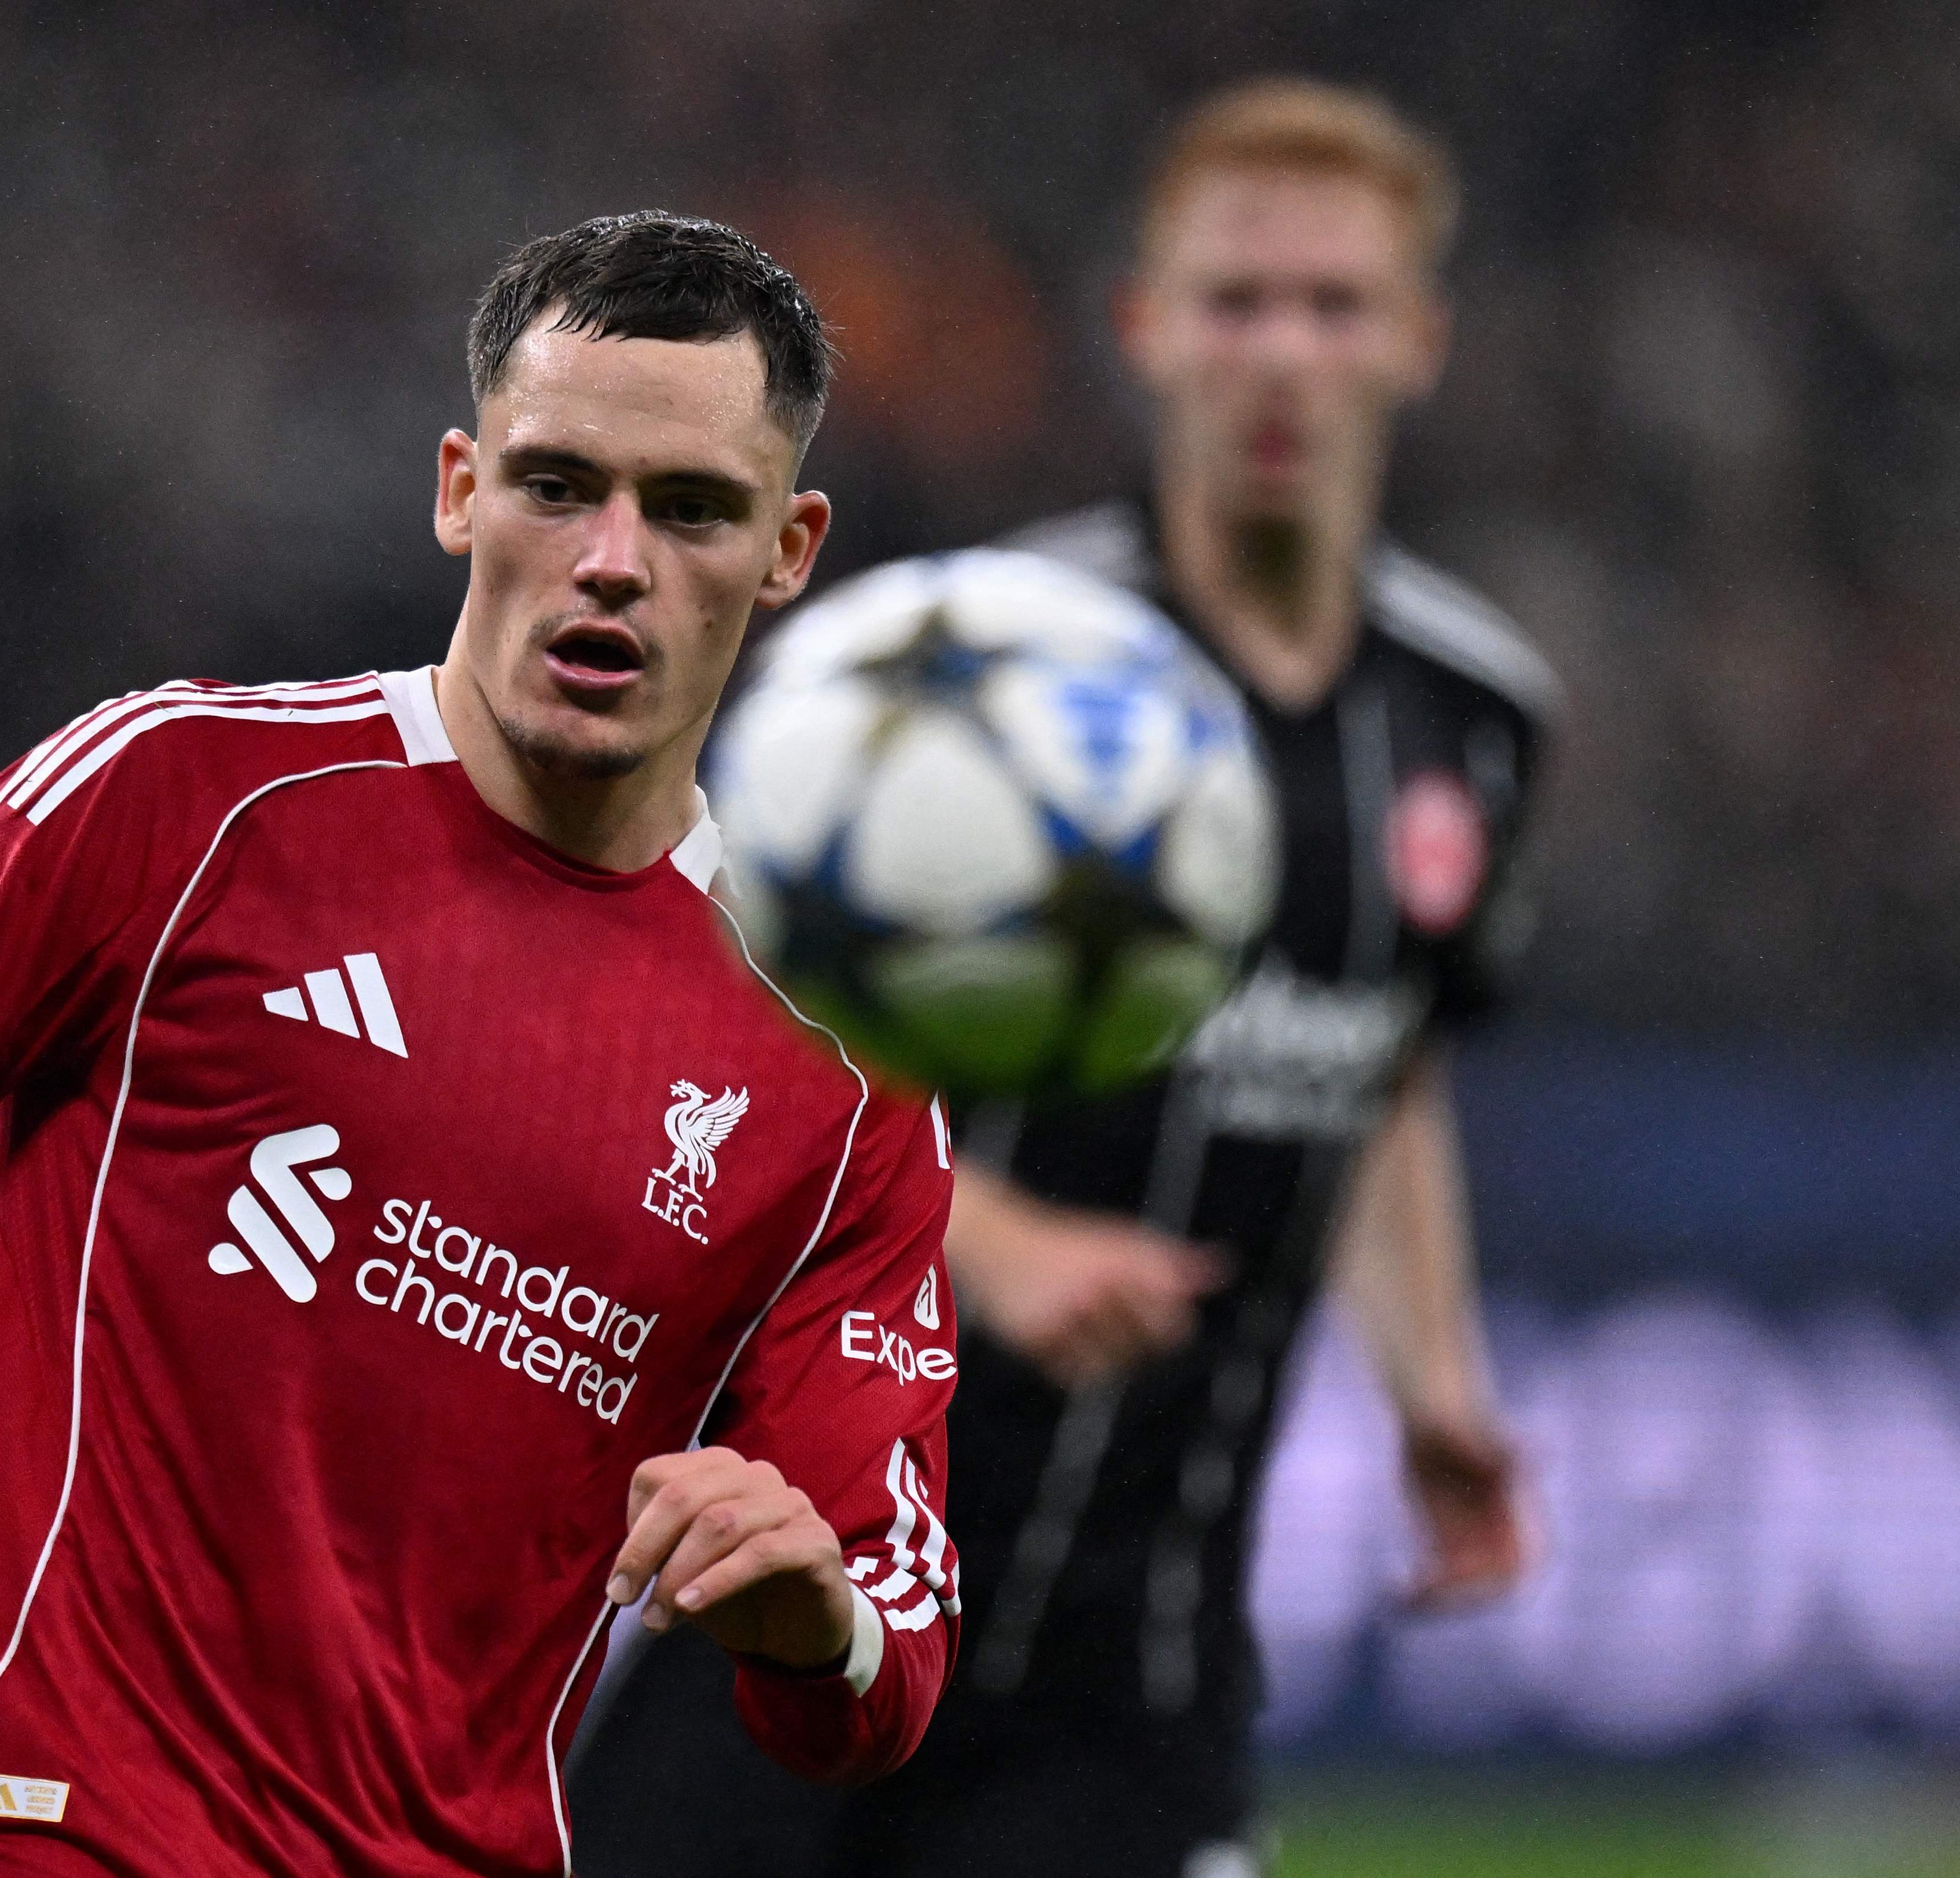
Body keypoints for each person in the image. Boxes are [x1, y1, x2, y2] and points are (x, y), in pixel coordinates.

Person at [0, 212, 962, 1878]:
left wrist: (815, 1608)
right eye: (555, 486)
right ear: (459, 491)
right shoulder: (181, 796)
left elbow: (887, 1651)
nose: (613, 560)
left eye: (690, 510)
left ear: (789, 550)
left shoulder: (843, 1081)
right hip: (44, 1834)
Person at [572, 82, 1553, 1876]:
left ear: (1416, 340)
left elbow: (1382, 1062)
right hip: (802, 1603)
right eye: (1236, 301)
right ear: (1144, 327)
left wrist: (1433, 1383)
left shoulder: (1472, 719)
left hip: (1136, 1690)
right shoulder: (965, 663)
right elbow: (711, 1039)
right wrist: (999, 1244)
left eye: (1333, 306)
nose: (1282, 354)